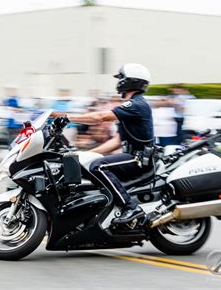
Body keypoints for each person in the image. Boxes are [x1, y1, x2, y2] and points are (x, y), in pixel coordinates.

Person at [57, 63, 154, 226]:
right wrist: (86, 154)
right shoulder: (131, 108)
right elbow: (116, 141)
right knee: (91, 164)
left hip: (138, 159)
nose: (119, 82)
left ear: (130, 81)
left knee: (98, 167)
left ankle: (130, 208)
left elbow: (99, 117)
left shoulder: (136, 104)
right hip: (132, 157)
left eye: (121, 78)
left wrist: (68, 118)